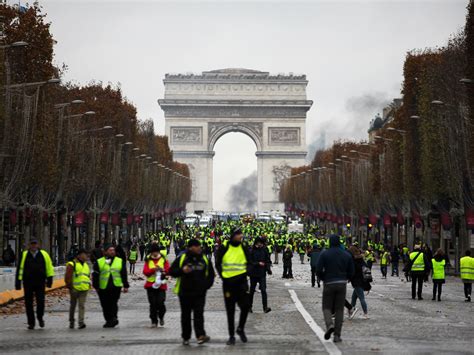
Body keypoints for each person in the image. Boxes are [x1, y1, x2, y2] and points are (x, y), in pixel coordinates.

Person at [169, 239, 215, 346]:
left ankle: (200, 336)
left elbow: (211, 275)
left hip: (200, 293)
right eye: (196, 246)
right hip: (185, 293)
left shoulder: (204, 259)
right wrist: (182, 271)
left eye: (199, 246)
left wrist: (206, 286)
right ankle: (186, 337)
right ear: (190, 247)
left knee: (199, 315)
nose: (199, 248)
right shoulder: (182, 258)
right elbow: (172, 271)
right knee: (186, 316)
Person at [316, 235, 354, 343]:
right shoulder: (346, 255)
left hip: (329, 283)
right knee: (339, 310)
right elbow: (352, 270)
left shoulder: (324, 254)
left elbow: (318, 270)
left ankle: (329, 325)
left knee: (326, 307)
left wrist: (324, 278)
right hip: (342, 283)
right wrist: (346, 278)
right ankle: (337, 335)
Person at [215, 228, 250, 345]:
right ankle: (231, 336)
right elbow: (217, 263)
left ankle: (240, 328)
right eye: (239, 235)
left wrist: (246, 273)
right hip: (228, 284)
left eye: (241, 234)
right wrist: (223, 276)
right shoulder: (224, 247)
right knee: (230, 311)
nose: (241, 236)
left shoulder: (244, 247)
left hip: (241, 283)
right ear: (233, 236)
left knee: (245, 306)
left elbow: (250, 262)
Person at [15, 239, 54, 330]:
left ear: (38, 245)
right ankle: (31, 322)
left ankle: (40, 317)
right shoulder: (24, 255)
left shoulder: (44, 254)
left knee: (41, 301)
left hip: (40, 282)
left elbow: (49, 267)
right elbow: (20, 269)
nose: (33, 246)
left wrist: (50, 280)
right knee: (28, 303)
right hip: (28, 282)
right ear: (29, 245)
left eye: (35, 244)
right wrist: (18, 282)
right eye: (32, 244)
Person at [92, 244, 129, 328]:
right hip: (103, 287)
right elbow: (95, 275)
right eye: (110, 250)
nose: (112, 252)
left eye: (113, 250)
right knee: (105, 304)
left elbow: (123, 273)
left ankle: (113, 318)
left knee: (113, 303)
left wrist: (125, 285)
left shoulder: (119, 261)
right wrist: (96, 286)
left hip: (116, 286)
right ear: (105, 252)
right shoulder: (99, 262)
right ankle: (109, 319)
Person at [142, 244, 170, 327]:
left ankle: (161, 317)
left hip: (161, 285)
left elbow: (168, 270)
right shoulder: (148, 260)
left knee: (160, 302)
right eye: (153, 252)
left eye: (156, 251)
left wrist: (162, 270)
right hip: (150, 285)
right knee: (153, 304)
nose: (154, 253)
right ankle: (154, 320)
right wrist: (153, 270)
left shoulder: (163, 259)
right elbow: (145, 272)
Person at [65, 249, 91, 329]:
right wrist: (70, 287)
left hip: (84, 289)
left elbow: (87, 276)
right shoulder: (72, 264)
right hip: (74, 289)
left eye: (86, 255)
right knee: (73, 306)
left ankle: (81, 322)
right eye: (84, 255)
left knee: (81, 305)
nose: (86, 256)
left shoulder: (86, 265)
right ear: (78, 256)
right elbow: (67, 277)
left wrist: (89, 284)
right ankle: (71, 321)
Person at [248, 237, 272, 314]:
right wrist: (258, 263)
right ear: (255, 243)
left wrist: (268, 269)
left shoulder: (265, 250)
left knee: (264, 290)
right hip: (253, 273)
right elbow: (249, 261)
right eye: (258, 243)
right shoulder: (251, 250)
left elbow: (268, 260)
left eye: (261, 243)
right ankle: (249, 307)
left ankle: (265, 307)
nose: (259, 244)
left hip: (262, 273)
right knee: (251, 291)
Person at [348, 246, 369, 319]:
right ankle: (350, 312)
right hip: (362, 281)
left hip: (356, 282)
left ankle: (365, 314)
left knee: (361, 298)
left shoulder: (353, 261)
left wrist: (349, 278)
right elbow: (367, 270)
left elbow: (352, 272)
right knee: (354, 298)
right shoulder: (362, 260)